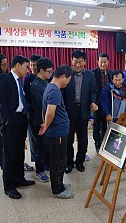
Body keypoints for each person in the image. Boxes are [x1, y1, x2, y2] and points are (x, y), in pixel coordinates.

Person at [0, 55, 35, 199]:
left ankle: (19, 178)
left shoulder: (19, 81)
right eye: (26, 66)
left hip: (21, 120)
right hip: (10, 122)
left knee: (19, 153)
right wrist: (6, 121)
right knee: (9, 155)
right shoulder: (4, 78)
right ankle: (9, 186)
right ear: (17, 65)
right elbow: (0, 101)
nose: (27, 70)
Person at [39, 64, 74, 199]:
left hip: (58, 131)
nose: (68, 82)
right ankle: (57, 189)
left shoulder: (50, 87)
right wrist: (46, 126)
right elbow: (49, 112)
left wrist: (45, 124)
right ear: (63, 76)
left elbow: (45, 111)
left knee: (60, 159)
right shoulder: (54, 91)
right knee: (58, 161)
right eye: (68, 79)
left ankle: (59, 183)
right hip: (57, 133)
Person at [62, 50, 97, 173]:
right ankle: (69, 162)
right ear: (71, 61)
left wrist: (93, 102)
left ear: (85, 62)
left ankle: (80, 161)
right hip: (69, 112)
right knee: (68, 139)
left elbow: (93, 91)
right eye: (75, 62)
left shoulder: (90, 75)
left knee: (83, 139)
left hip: (83, 111)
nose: (77, 65)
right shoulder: (66, 74)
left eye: (80, 62)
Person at [30, 57, 53, 182]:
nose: (50, 74)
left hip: (48, 120)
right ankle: (40, 171)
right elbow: (41, 106)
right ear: (41, 70)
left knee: (47, 146)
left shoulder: (46, 82)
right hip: (40, 121)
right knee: (41, 148)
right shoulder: (35, 85)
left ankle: (47, 166)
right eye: (49, 72)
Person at [24, 54, 42, 171]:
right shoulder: (28, 79)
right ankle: (37, 164)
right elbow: (25, 97)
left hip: (43, 114)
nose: (33, 67)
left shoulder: (46, 78)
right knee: (34, 140)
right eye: (31, 65)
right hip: (32, 114)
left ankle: (45, 163)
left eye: (35, 65)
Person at [92, 53, 112, 153]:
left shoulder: (111, 74)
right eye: (101, 62)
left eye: (105, 62)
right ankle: (97, 144)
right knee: (96, 124)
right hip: (96, 103)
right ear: (97, 62)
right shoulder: (93, 73)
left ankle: (104, 143)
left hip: (107, 104)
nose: (103, 64)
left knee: (105, 124)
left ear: (108, 62)